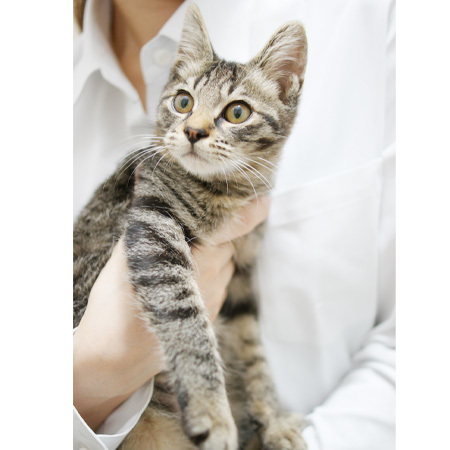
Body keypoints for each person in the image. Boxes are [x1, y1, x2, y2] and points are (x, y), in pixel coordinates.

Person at [73, 0, 396, 449]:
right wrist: (88, 373)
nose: (195, 127)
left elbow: (242, 308)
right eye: (184, 103)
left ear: (284, 90)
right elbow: (151, 248)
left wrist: (266, 418)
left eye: (236, 112)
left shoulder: (369, 18)